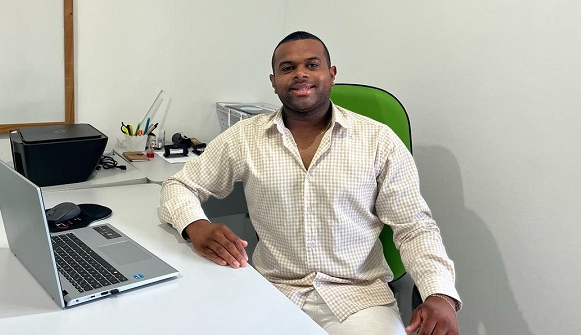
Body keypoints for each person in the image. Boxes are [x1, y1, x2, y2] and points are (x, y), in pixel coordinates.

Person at [160, 31, 461, 334]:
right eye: (288, 68)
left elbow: (414, 227)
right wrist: (195, 225)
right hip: (273, 290)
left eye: (312, 65)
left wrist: (440, 294)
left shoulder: (378, 141)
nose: (300, 73)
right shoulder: (244, 137)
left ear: (332, 74)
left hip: (359, 297)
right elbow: (179, 185)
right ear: (274, 81)